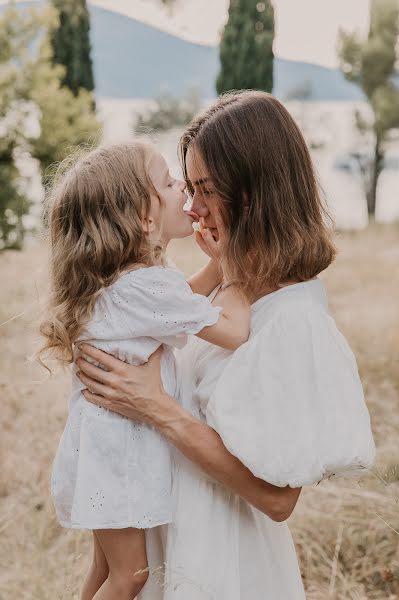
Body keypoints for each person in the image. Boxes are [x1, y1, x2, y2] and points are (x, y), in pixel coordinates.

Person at [75, 91, 376, 599]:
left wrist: (157, 409)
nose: (191, 206)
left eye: (205, 188)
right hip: (162, 550)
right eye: (186, 186)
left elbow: (279, 500)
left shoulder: (293, 320)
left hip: (223, 566)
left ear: (254, 191)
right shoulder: (222, 289)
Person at [39, 140, 250, 600]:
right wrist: (233, 260)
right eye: (170, 183)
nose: (184, 191)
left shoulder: (127, 283)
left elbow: (177, 306)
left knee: (106, 568)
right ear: (143, 217)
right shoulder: (146, 287)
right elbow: (233, 330)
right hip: (121, 457)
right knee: (131, 576)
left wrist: (213, 264)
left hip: (101, 449)